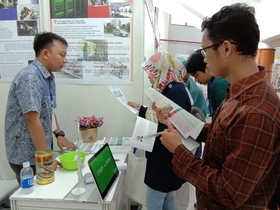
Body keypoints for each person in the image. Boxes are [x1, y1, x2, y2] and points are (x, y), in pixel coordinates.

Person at [153, 3, 280, 210]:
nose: (204, 58)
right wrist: (174, 119)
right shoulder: (240, 92)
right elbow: (220, 135)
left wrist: (178, 151)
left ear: (226, 48)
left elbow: (229, 192)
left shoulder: (257, 110)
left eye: (205, 50)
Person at [5, 32, 76, 184]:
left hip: (39, 151)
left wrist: (59, 134)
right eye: (61, 55)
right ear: (45, 53)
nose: (65, 60)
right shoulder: (30, 78)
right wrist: (46, 158)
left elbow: (49, 110)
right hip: (25, 156)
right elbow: (33, 121)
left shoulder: (47, 77)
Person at [129, 51, 192, 210]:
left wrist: (147, 130)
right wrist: (142, 109)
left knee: (154, 201)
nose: (150, 77)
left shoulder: (175, 92)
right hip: (162, 158)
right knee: (167, 197)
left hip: (164, 160)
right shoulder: (168, 88)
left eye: (151, 73)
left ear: (162, 70)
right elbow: (161, 117)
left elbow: (174, 127)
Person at [186, 50, 228, 117]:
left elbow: (224, 117)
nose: (196, 80)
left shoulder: (219, 86)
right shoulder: (211, 83)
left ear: (207, 68)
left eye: (197, 75)